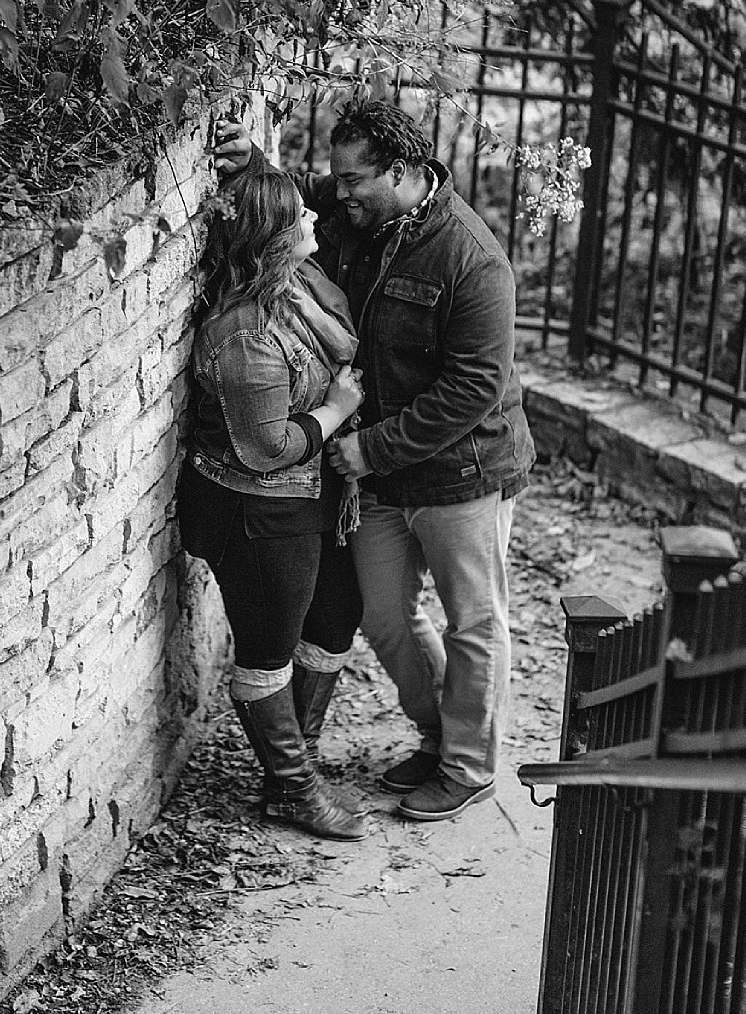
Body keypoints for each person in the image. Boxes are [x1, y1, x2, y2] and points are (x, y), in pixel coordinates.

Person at [215, 99, 535, 823]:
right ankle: (438, 734)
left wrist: (368, 447)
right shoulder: (359, 206)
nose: (339, 195)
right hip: (382, 476)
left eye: (355, 180)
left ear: (404, 170)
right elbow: (297, 202)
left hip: (465, 474)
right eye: (338, 178)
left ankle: (468, 765)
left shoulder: (472, 259)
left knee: (475, 621)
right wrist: (257, 170)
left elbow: (475, 388)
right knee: (387, 617)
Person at [183, 161, 371, 840]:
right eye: (300, 215)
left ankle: (300, 762)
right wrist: (337, 409)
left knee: (336, 616)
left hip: (316, 491)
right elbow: (263, 448)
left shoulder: (304, 284)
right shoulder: (244, 336)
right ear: (273, 239)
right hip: (255, 504)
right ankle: (291, 787)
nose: (315, 218)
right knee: (268, 646)